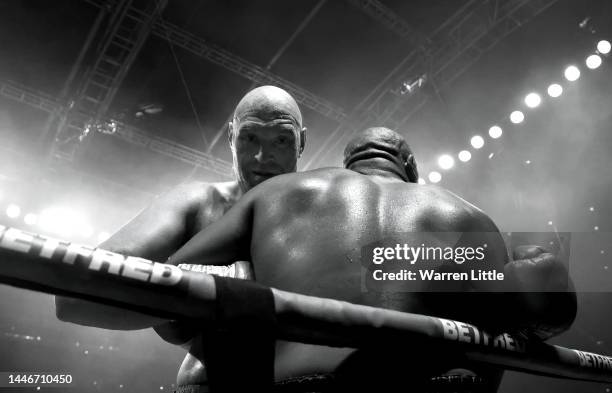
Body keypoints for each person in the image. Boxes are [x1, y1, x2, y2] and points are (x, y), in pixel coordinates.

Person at [168, 127, 577, 392]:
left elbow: (169, 286)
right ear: (411, 168)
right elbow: (538, 305)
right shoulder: (468, 216)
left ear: (350, 165)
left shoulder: (277, 193)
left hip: (300, 384)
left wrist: (246, 287)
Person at [54, 85, 307, 390]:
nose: (263, 157)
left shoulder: (326, 215)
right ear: (230, 137)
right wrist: (221, 284)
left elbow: (376, 290)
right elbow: (74, 292)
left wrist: (199, 283)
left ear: (301, 142)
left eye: (281, 140)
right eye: (250, 137)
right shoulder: (199, 203)